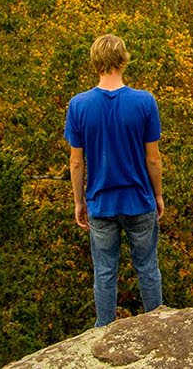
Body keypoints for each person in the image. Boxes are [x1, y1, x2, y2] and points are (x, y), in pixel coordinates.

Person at [63, 34, 165, 327]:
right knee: (147, 267)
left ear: (96, 62)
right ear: (123, 60)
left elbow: (76, 161)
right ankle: (157, 325)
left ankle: (103, 330)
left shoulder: (79, 105)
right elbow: (153, 159)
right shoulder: (144, 102)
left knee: (105, 271)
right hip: (138, 198)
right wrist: (157, 195)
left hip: (101, 201)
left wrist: (79, 202)